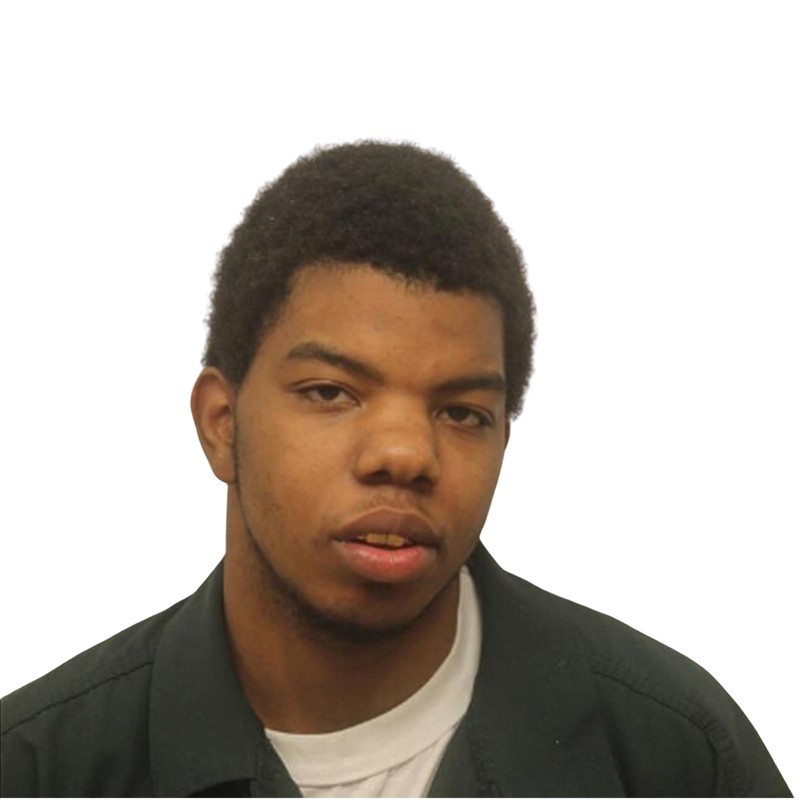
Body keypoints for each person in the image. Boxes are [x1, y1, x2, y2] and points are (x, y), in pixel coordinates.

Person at [0, 142, 790, 798]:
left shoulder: (672, 755)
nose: (405, 455)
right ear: (221, 423)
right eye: (331, 393)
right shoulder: (39, 770)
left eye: (462, 412)